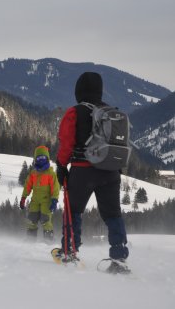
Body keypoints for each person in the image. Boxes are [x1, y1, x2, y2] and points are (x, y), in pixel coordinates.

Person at [54, 72, 130, 274]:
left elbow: (66, 144)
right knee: (113, 215)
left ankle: (70, 252)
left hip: (83, 171)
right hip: (110, 172)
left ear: (79, 91)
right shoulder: (110, 112)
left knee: (74, 212)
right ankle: (119, 258)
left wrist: (61, 167)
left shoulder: (74, 112)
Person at [19, 145, 60, 241]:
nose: (41, 160)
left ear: (47, 159)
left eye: (43, 158)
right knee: (31, 220)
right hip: (35, 201)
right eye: (39, 158)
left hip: (47, 201)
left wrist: (54, 200)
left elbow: (55, 188)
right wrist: (23, 198)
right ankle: (30, 240)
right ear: (35, 159)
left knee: (45, 220)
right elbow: (27, 186)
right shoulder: (33, 174)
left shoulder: (51, 174)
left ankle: (48, 240)